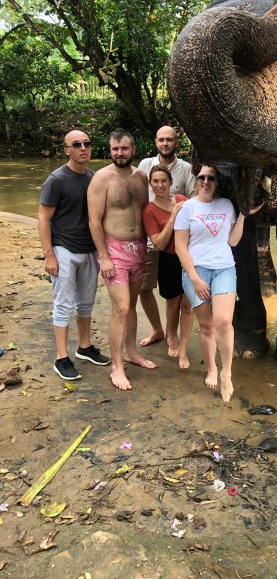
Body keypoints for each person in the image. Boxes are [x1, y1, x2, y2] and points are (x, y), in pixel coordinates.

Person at [174, 165, 254, 403]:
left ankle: (226, 372)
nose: (206, 181)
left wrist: (243, 216)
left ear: (218, 181)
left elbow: (232, 240)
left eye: (211, 178)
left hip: (224, 268)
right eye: (202, 177)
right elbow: (180, 246)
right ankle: (211, 368)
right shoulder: (187, 208)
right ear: (196, 180)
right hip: (196, 270)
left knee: (224, 321)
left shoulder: (226, 205)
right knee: (207, 325)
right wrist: (195, 278)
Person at [87, 129, 157, 391]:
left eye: (124, 148)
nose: (119, 153)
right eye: (115, 149)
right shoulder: (101, 179)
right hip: (114, 251)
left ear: (133, 149)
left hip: (139, 249)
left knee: (132, 305)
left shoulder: (141, 177)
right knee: (121, 307)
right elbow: (93, 220)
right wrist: (103, 257)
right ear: (110, 149)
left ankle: (131, 352)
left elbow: (148, 212)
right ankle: (117, 366)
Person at [38, 130, 110, 381]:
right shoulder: (56, 180)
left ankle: (85, 347)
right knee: (63, 303)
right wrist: (49, 255)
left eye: (87, 143)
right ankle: (61, 357)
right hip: (64, 248)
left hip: (89, 249)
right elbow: (44, 218)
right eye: (76, 144)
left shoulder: (93, 178)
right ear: (66, 150)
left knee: (86, 302)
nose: (83, 148)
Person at [137, 126, 196, 347]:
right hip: (152, 239)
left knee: (178, 295)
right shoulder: (145, 165)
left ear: (176, 142)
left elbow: (193, 202)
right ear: (155, 142)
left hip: (179, 245)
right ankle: (157, 330)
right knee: (145, 287)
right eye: (161, 139)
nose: (165, 144)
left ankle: (175, 333)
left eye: (169, 140)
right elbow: (138, 196)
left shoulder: (187, 169)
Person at [142, 166, 193, 368]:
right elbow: (159, 243)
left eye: (164, 181)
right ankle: (171, 335)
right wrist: (172, 217)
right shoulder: (149, 210)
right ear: (150, 184)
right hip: (169, 259)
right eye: (156, 181)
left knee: (187, 305)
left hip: (189, 259)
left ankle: (184, 343)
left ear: (171, 182)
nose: (160, 185)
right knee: (172, 305)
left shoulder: (183, 200)